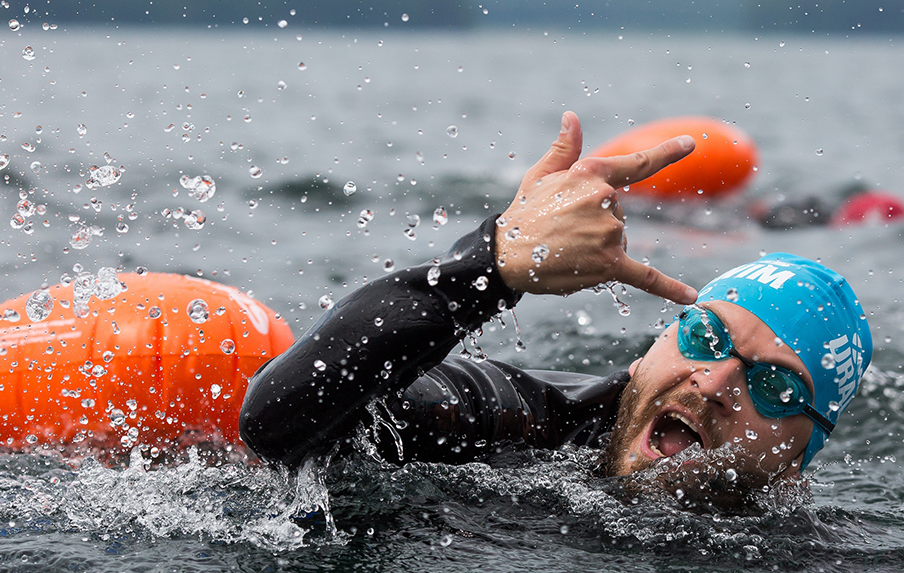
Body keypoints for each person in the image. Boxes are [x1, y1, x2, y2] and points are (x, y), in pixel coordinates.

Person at [239, 111, 872, 490]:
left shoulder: (814, 561)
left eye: (776, 388)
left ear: (795, 464)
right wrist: (487, 268)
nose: (713, 383)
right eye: (705, 337)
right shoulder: (516, 423)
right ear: (651, 349)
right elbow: (278, 423)